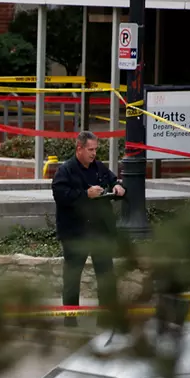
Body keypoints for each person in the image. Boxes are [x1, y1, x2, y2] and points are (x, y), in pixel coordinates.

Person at [51, 130, 126, 326]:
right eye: (90, 150)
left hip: (100, 232)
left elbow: (112, 180)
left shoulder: (99, 167)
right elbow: (61, 195)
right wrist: (86, 194)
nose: (93, 154)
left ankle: (107, 317)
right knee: (72, 278)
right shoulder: (65, 170)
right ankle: (70, 319)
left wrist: (117, 187)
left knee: (106, 275)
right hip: (75, 233)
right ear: (79, 149)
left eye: (95, 150)